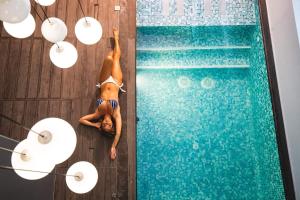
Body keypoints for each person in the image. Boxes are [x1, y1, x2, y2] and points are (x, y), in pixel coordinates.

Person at [79, 28, 124, 160]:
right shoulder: (116, 114)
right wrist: (113, 147)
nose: (106, 123)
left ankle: (114, 49)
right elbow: (119, 133)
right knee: (115, 59)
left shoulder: (97, 114)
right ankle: (116, 38)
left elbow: (81, 120)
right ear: (112, 125)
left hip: (104, 81)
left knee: (108, 58)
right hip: (116, 82)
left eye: (104, 125)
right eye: (109, 125)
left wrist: (94, 125)